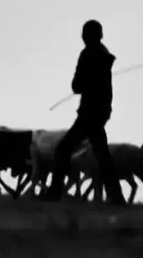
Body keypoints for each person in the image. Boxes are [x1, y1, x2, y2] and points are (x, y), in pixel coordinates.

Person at [41, 19, 127, 205]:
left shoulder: (87, 54)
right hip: (100, 113)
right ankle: (117, 197)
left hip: (88, 113)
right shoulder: (104, 56)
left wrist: (84, 84)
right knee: (102, 155)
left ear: (86, 36)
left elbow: (76, 85)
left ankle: (55, 192)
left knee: (63, 150)